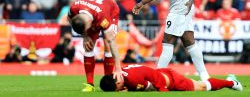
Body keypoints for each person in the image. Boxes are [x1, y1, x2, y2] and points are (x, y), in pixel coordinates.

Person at [68, 0, 123, 92]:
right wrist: (85, 36)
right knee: (88, 46)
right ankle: (90, 84)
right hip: (93, 11)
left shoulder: (103, 17)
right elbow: (69, 19)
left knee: (107, 44)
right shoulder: (74, 7)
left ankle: (108, 80)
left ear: (89, 23)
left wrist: (118, 69)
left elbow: (112, 42)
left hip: (111, 11)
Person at [100, 65, 243, 92]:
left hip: (171, 80)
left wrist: (129, 90)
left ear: (118, 82)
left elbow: (151, 88)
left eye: (116, 89)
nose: (117, 91)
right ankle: (230, 80)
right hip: (162, 74)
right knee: (200, 84)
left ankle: (232, 82)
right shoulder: (120, 73)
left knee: (203, 87)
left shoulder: (132, 80)